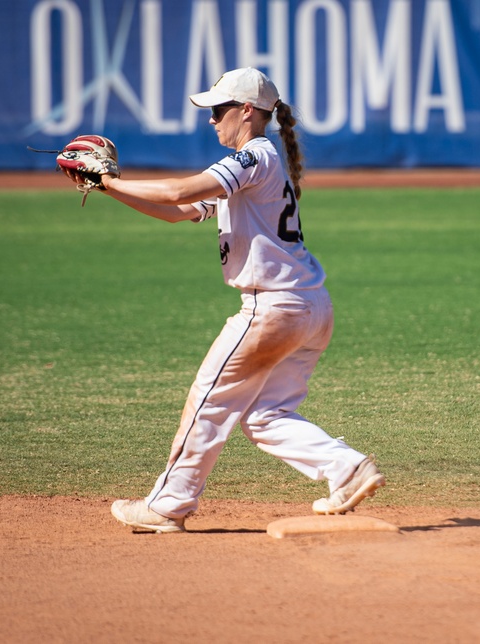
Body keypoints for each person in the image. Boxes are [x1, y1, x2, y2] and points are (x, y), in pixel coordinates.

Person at [62, 67, 385, 533]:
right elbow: (177, 211)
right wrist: (111, 189)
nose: (211, 120)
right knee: (265, 415)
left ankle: (167, 505)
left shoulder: (253, 157)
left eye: (217, 110)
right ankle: (347, 469)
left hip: (272, 309)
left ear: (246, 111)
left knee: (208, 402)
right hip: (311, 306)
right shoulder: (259, 165)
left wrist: (110, 181)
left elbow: (177, 189)